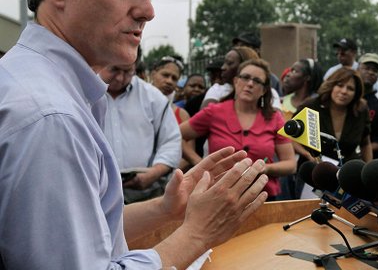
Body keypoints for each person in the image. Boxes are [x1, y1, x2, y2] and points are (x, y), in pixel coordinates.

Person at [0, 0, 268, 269]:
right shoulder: (51, 118)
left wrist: (165, 208)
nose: (147, 10)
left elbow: (84, 234)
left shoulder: (41, 87)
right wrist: (196, 235)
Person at [179, 59, 296, 201]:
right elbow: (176, 136)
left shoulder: (274, 117)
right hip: (216, 194)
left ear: (264, 90)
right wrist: (200, 163)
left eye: (257, 81)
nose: (250, 84)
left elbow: (290, 164)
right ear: (236, 81)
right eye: (245, 77)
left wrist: (265, 168)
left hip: (261, 197)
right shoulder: (214, 112)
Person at [100, 60, 182, 204]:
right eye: (114, 69)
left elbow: (171, 141)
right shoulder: (82, 92)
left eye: (127, 71)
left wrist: (155, 172)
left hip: (143, 196)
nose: (120, 78)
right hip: (95, 194)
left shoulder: (154, 98)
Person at [297, 67, 373, 163]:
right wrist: (307, 154)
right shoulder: (311, 106)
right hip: (312, 169)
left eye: (350, 88)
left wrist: (368, 170)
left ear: (356, 93)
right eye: (340, 85)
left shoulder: (361, 110)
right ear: (331, 85)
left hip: (346, 172)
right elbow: (289, 137)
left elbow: (365, 143)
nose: (344, 91)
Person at [278, 58, 324, 199]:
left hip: (305, 166)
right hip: (283, 163)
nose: (289, 74)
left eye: (295, 71)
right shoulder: (281, 102)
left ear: (307, 77)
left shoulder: (315, 105)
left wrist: (305, 154)